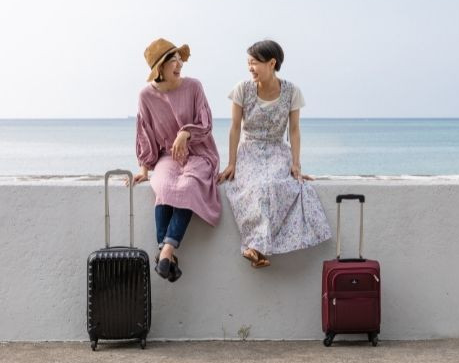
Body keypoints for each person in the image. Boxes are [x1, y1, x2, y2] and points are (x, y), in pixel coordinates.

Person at [219, 40, 331, 268]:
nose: (250, 68)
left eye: (254, 63)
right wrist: (232, 163)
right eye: (248, 62)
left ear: (272, 63)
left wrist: (296, 163)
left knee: (278, 186)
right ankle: (253, 246)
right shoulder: (243, 89)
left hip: (278, 149)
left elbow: (294, 130)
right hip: (249, 150)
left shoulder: (291, 91)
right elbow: (235, 128)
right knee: (256, 188)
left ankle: (256, 248)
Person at [132, 38, 221, 281]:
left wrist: (185, 133)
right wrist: (144, 169)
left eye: (180, 59)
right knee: (163, 186)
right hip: (167, 156)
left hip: (200, 152)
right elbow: (145, 133)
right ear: (159, 67)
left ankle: (165, 250)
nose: (179, 64)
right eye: (173, 60)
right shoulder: (146, 96)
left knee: (189, 186)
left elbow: (206, 124)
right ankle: (167, 257)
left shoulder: (194, 86)